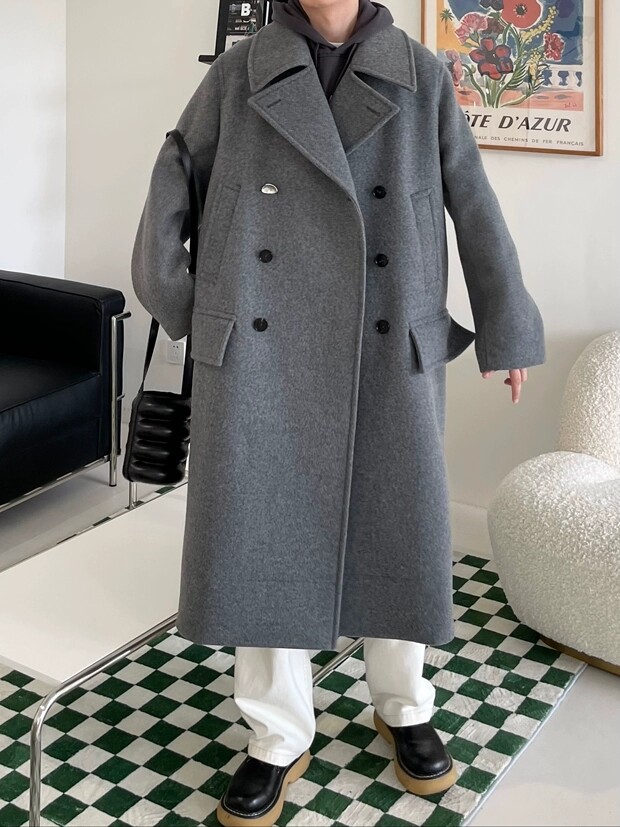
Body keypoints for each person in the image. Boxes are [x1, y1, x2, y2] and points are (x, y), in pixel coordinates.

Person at [131, 1, 546, 825]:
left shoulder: (420, 74)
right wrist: (185, 304)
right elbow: (173, 174)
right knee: (264, 532)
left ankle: (404, 704)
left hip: (387, 341)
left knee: (398, 523)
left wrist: (508, 325)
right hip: (262, 347)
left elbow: (471, 197)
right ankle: (277, 733)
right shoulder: (239, 74)